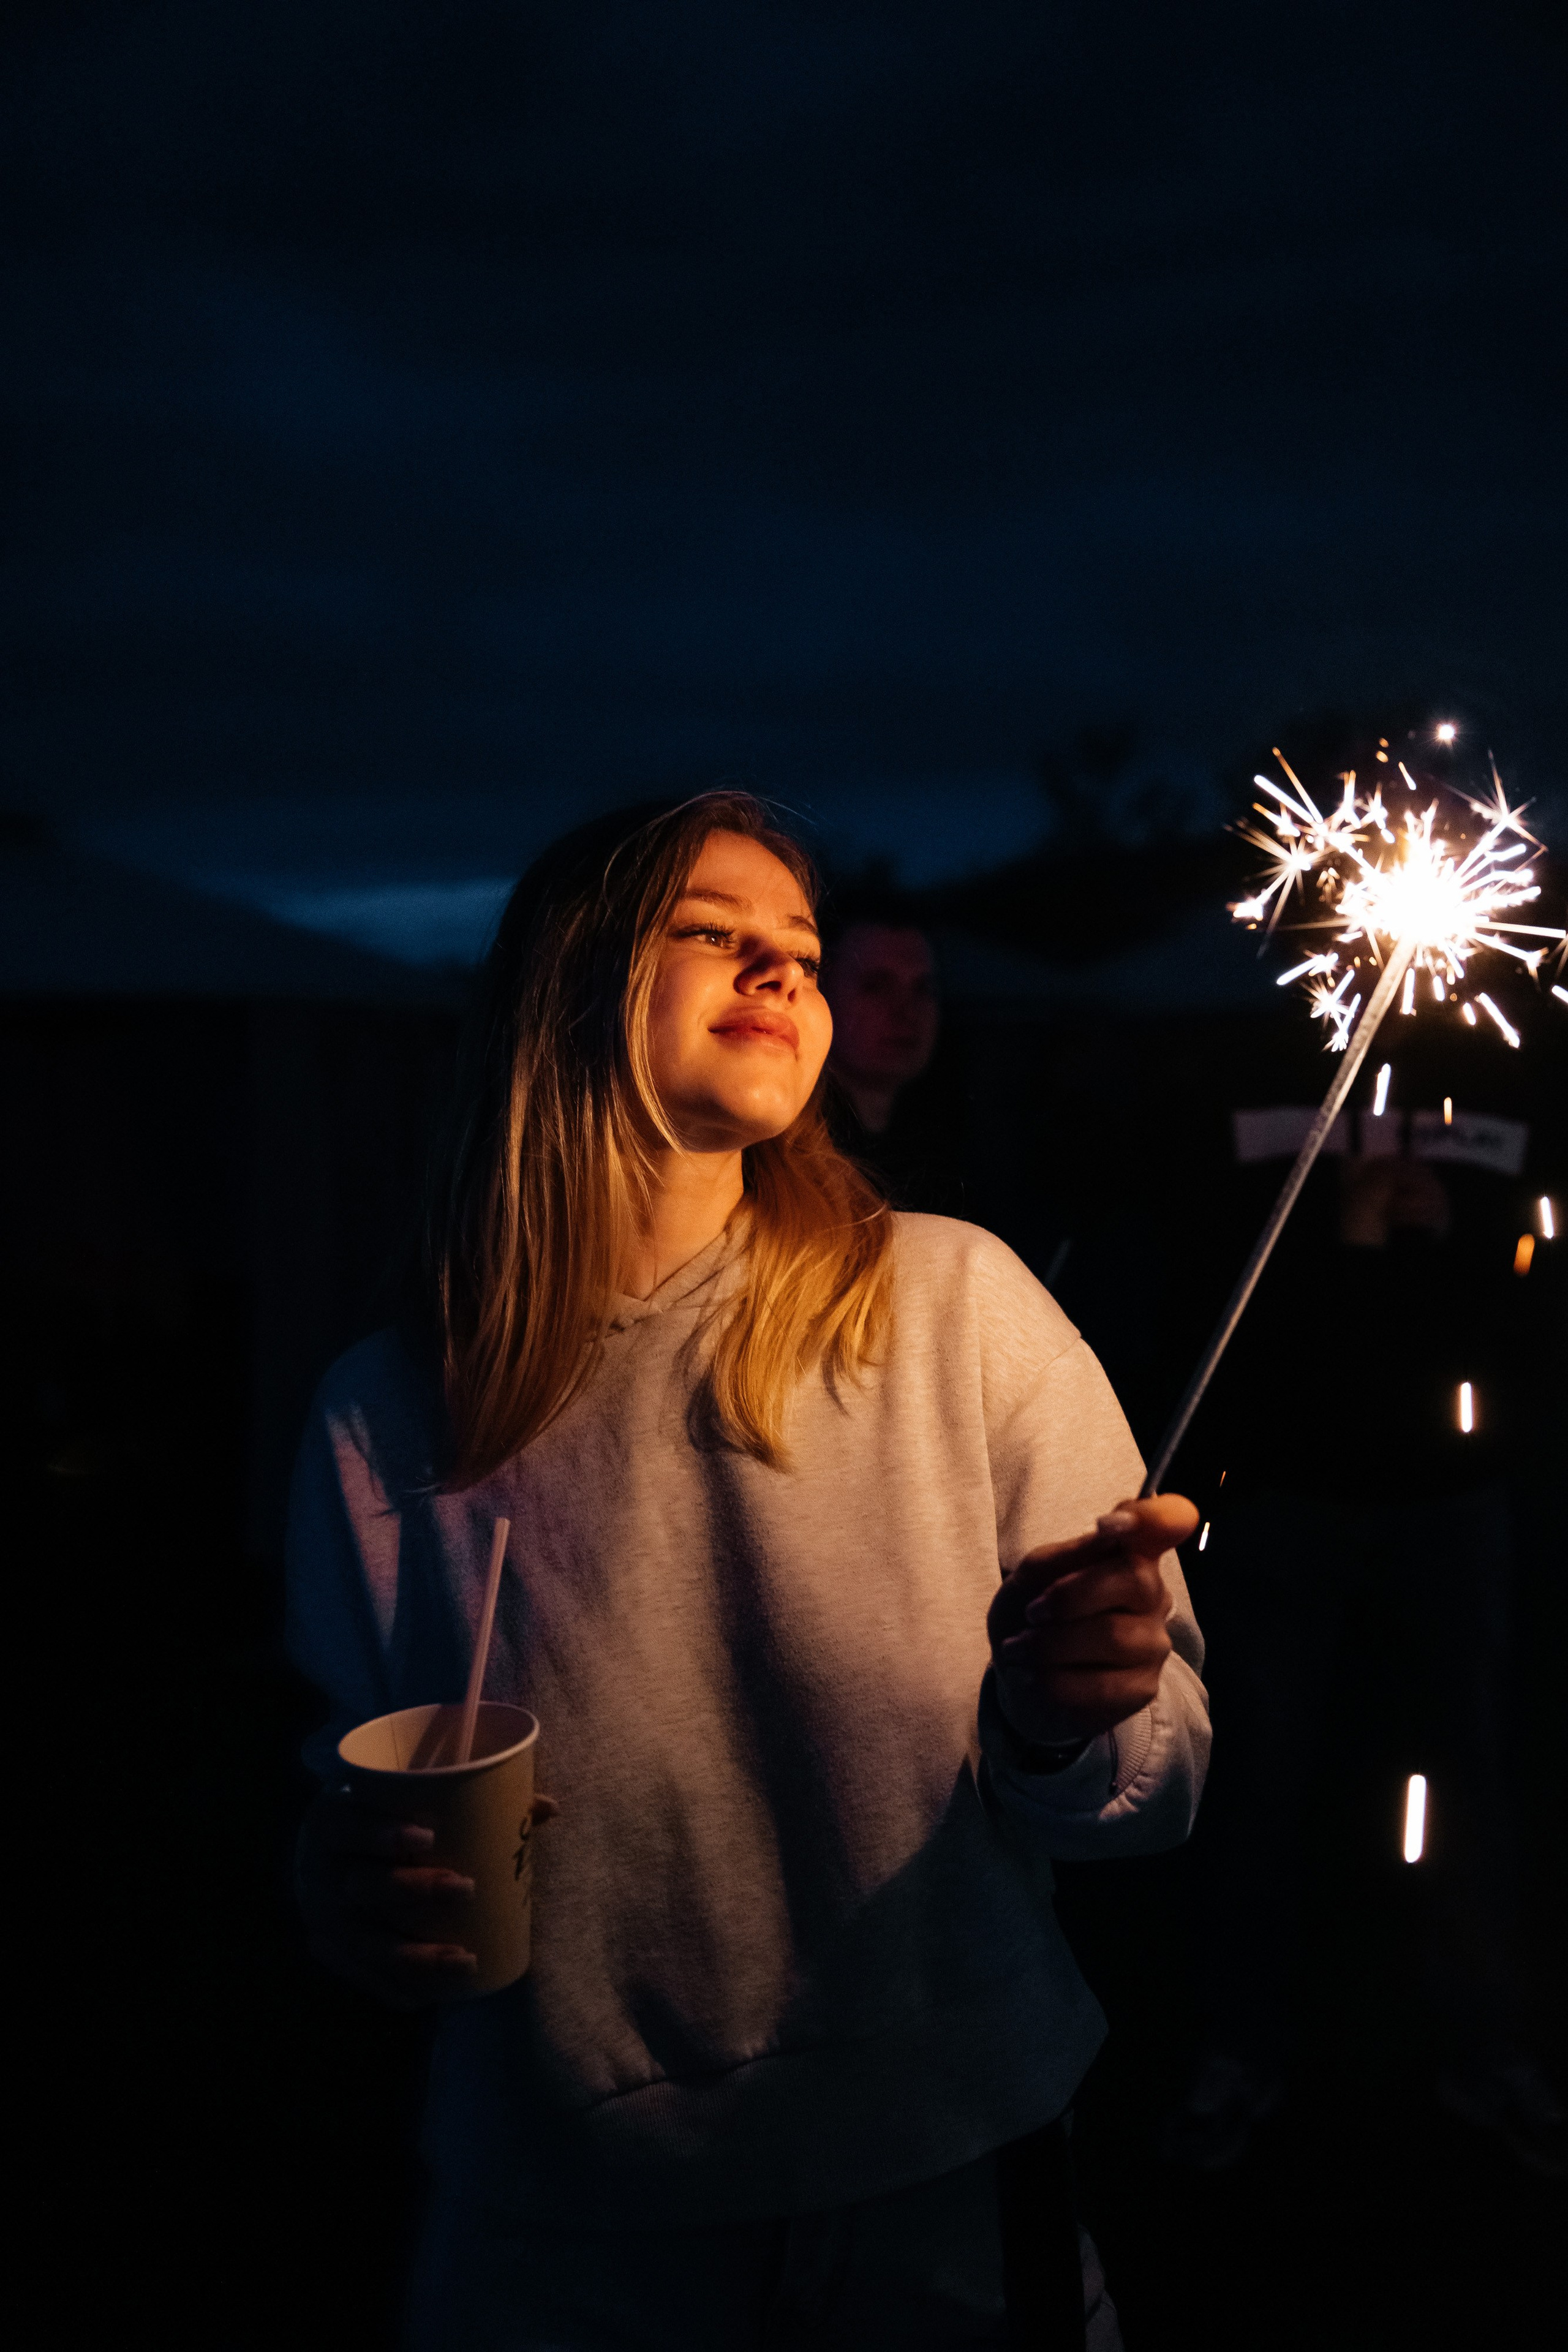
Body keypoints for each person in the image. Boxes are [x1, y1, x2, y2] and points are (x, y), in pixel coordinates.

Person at [288, 791, 1211, 2349]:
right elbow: (339, 1791)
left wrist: (1071, 1712)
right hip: (563, 2213)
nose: (781, 971)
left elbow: (1160, 1774)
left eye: (797, 945)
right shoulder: (389, 1411)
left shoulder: (951, 1302)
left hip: (944, 2174)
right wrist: (352, 1894)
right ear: (568, 977)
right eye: (713, 932)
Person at [818, 888, 967, 1218]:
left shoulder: (945, 1151)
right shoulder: (791, 1154)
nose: (906, 1013)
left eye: (922, 989)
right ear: (821, 992)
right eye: (876, 986)